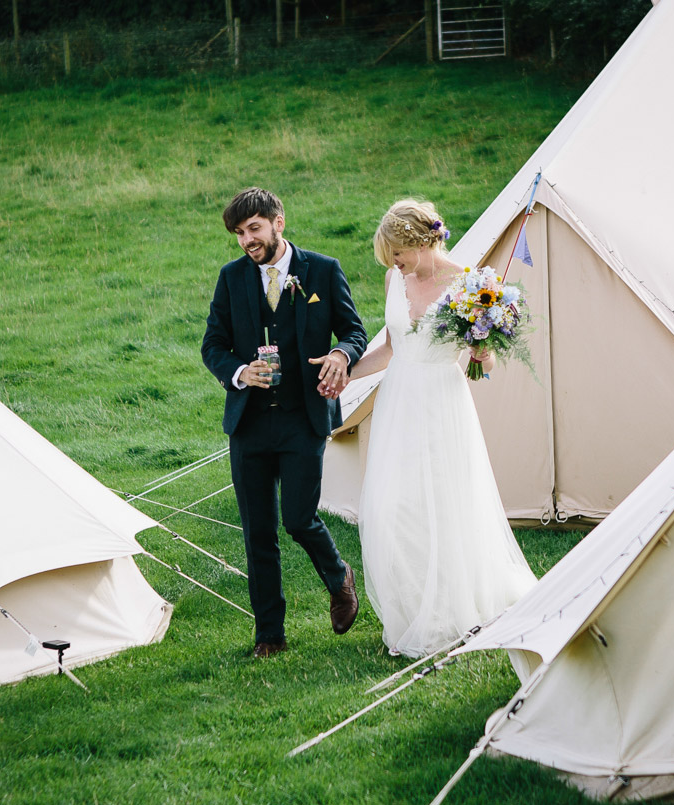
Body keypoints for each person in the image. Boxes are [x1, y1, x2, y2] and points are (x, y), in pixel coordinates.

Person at [346, 199, 537, 656]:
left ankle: (452, 609)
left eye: (398, 252)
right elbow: (391, 348)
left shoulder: (468, 285)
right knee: (393, 507)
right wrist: (345, 374)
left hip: (442, 404)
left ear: (419, 240)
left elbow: (487, 362)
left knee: (446, 504)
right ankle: (412, 608)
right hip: (398, 402)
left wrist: (481, 350)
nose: (394, 263)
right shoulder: (395, 279)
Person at [202, 188, 370, 658]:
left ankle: (339, 577)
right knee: (258, 531)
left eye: (253, 228)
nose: (246, 241)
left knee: (298, 518)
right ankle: (269, 636)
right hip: (250, 423)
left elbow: (354, 331)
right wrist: (238, 372)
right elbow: (212, 344)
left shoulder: (323, 270)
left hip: (303, 417)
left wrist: (341, 353)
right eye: (238, 233)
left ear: (278, 221)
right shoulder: (231, 278)